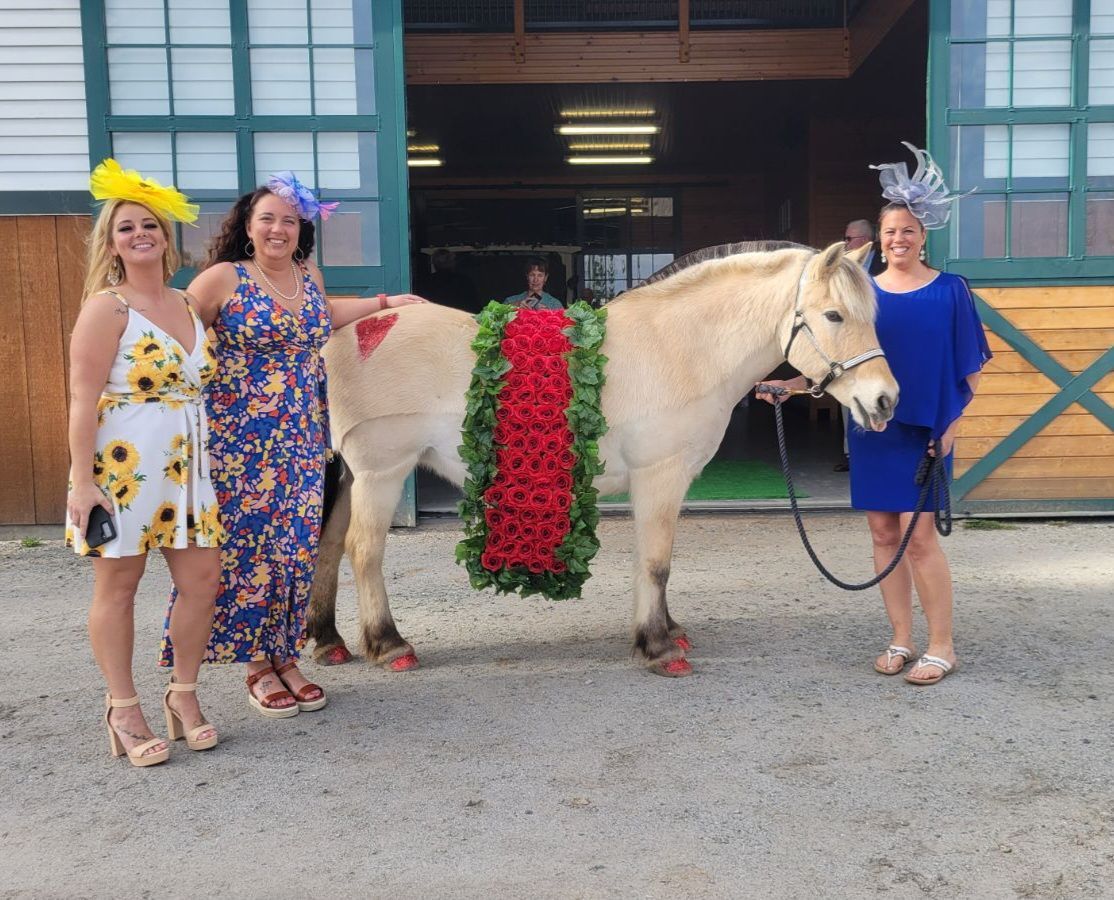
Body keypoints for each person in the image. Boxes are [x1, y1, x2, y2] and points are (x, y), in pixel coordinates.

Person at [166, 172, 424, 716]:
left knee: (294, 547)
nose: (279, 228)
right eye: (268, 219)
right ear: (247, 225)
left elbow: (321, 316)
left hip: (304, 433)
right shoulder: (222, 278)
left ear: (300, 227)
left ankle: (285, 655)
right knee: (248, 549)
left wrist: (386, 300)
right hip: (238, 439)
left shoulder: (308, 275)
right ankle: (256, 664)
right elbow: (173, 338)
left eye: (289, 220)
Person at [758, 143, 990, 686]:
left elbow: (971, 369)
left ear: (924, 236)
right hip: (874, 428)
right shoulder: (866, 293)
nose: (899, 240)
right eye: (890, 231)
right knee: (884, 535)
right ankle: (900, 639)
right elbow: (843, 359)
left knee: (921, 536)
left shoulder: (950, 290)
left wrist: (950, 429)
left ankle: (941, 646)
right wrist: (791, 386)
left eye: (908, 231)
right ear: (878, 238)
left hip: (926, 432)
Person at [66, 159, 223, 767]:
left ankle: (183, 695)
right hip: (123, 465)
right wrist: (83, 483)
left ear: (165, 236)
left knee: (202, 582)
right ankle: (123, 707)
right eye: (126, 228)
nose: (140, 235)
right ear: (111, 243)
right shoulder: (106, 309)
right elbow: (82, 397)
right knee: (120, 587)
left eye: (149, 225)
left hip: (188, 464)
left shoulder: (188, 302)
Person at [834, 218, 888, 471]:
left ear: (866, 241)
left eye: (849, 239)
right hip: (851, 345)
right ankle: (850, 454)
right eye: (844, 238)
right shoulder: (843, 267)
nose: (845, 243)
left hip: (880, 342)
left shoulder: (883, 267)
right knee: (848, 396)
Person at [418, 248, 482, 313]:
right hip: (458, 319)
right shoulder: (463, 281)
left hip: (434, 318)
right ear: (452, 263)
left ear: (434, 264)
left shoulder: (425, 282)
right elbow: (473, 306)